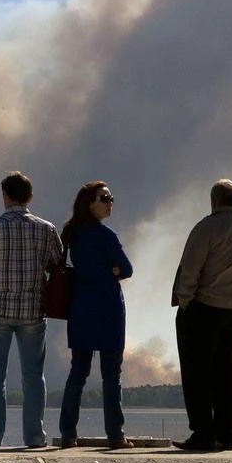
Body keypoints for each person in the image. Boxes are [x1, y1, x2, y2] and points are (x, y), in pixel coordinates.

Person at [0, 171, 63, 449]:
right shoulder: (46, 229)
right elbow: (57, 271)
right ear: (30, 197)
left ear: (5, 196)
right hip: (33, 313)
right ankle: (34, 438)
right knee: (33, 376)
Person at [172, 179, 232, 451]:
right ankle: (225, 435)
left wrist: (185, 301)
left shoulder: (206, 228)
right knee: (227, 372)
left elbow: (191, 268)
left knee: (197, 372)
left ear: (214, 201)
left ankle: (202, 433)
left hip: (203, 309)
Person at [57, 180, 136, 449]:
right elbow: (126, 269)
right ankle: (115, 434)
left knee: (78, 372)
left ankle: (68, 434)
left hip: (81, 310)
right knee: (111, 376)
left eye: (111, 197)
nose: (110, 202)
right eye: (105, 197)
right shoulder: (106, 236)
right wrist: (112, 270)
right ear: (90, 203)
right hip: (108, 311)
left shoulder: (71, 233)